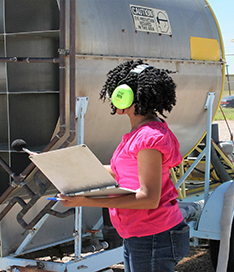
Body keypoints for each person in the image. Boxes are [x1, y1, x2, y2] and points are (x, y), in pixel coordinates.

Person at [59, 59, 190, 271]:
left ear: (129, 95)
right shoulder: (138, 134)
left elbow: (148, 198)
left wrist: (85, 200)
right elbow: (121, 172)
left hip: (154, 236)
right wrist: (70, 169)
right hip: (139, 234)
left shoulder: (149, 138)